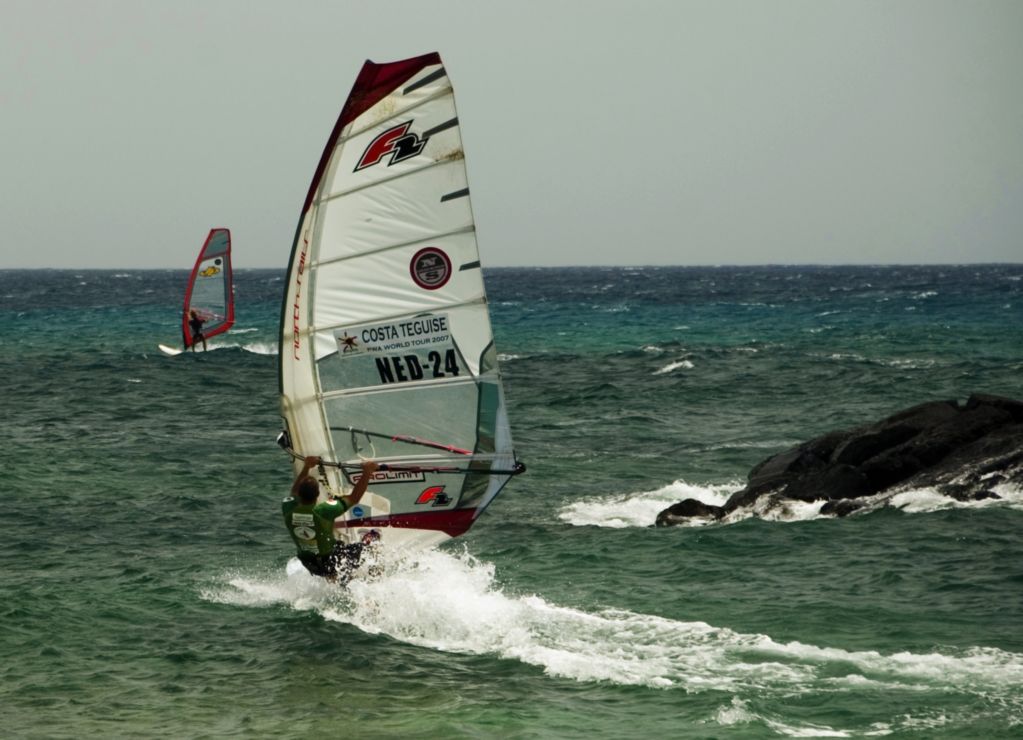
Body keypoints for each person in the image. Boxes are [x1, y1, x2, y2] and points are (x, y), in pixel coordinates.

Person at [282, 456, 379, 581]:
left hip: (309, 564)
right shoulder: (323, 511)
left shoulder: (288, 508)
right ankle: (375, 583)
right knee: (371, 549)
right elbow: (354, 498)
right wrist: (367, 471)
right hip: (331, 561)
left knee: (335, 557)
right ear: (318, 495)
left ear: (299, 495)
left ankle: (335, 579)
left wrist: (307, 466)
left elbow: (293, 492)